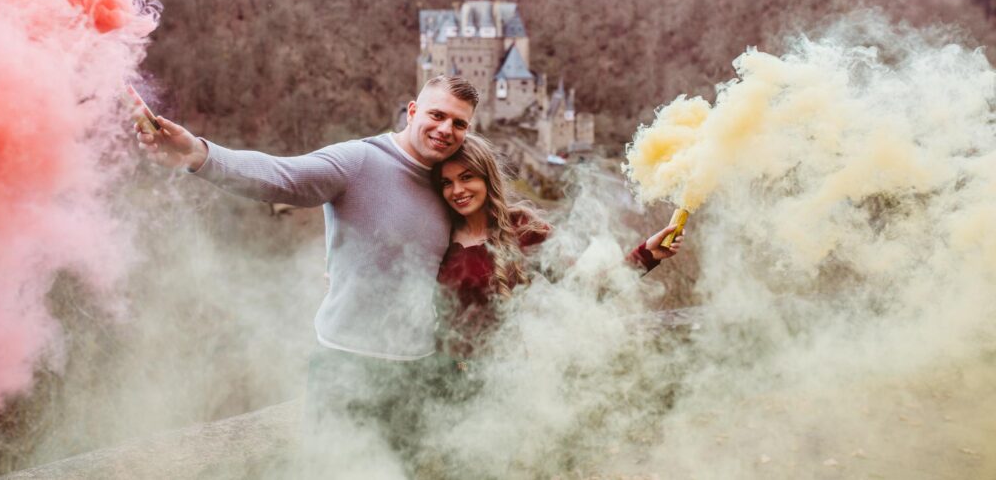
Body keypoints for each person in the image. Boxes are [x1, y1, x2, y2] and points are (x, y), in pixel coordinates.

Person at [135, 75, 479, 466]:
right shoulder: (360, 160)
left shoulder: (451, 184)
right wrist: (199, 154)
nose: (446, 129)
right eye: (437, 115)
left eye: (459, 123)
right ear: (413, 111)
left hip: (417, 370)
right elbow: (282, 178)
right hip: (348, 368)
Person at [432, 134, 685, 361]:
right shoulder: (436, 231)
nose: (457, 190)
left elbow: (586, 290)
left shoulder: (522, 229)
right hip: (440, 378)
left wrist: (646, 255)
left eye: (466, 177)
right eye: (446, 182)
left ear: (487, 178)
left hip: (502, 376)